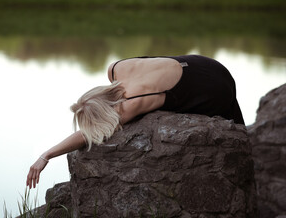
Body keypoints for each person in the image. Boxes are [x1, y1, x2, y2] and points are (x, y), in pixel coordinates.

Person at [26, 55, 245, 189]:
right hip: (209, 65)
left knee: (238, 135)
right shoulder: (115, 68)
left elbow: (86, 135)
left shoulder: (131, 103)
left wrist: (46, 155)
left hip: (217, 90)